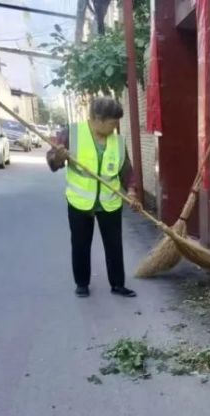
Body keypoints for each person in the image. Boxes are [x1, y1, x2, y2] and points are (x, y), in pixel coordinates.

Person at [47, 97, 139, 298]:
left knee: (114, 245)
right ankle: (82, 283)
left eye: (117, 123)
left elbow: (126, 169)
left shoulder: (117, 141)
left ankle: (117, 284)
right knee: (80, 244)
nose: (115, 127)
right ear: (97, 119)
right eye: (112, 123)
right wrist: (59, 157)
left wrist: (131, 192)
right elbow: (52, 163)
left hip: (110, 202)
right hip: (80, 201)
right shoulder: (71, 133)